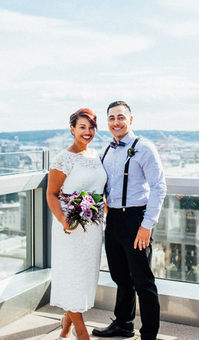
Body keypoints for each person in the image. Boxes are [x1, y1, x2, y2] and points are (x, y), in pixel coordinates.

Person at [92, 101, 167, 340]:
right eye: (112, 118)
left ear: (130, 120)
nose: (116, 122)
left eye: (121, 117)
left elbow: (158, 187)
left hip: (136, 219)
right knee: (120, 277)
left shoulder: (144, 147)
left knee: (143, 281)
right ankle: (123, 324)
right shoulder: (105, 150)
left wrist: (146, 225)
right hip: (112, 219)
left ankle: (149, 334)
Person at [47, 108, 107, 340]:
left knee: (84, 277)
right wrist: (64, 220)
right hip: (70, 229)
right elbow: (51, 194)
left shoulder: (96, 155)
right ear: (72, 129)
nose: (87, 132)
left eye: (91, 127)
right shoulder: (63, 158)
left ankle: (66, 324)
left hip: (92, 230)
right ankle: (82, 334)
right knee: (72, 276)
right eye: (82, 127)